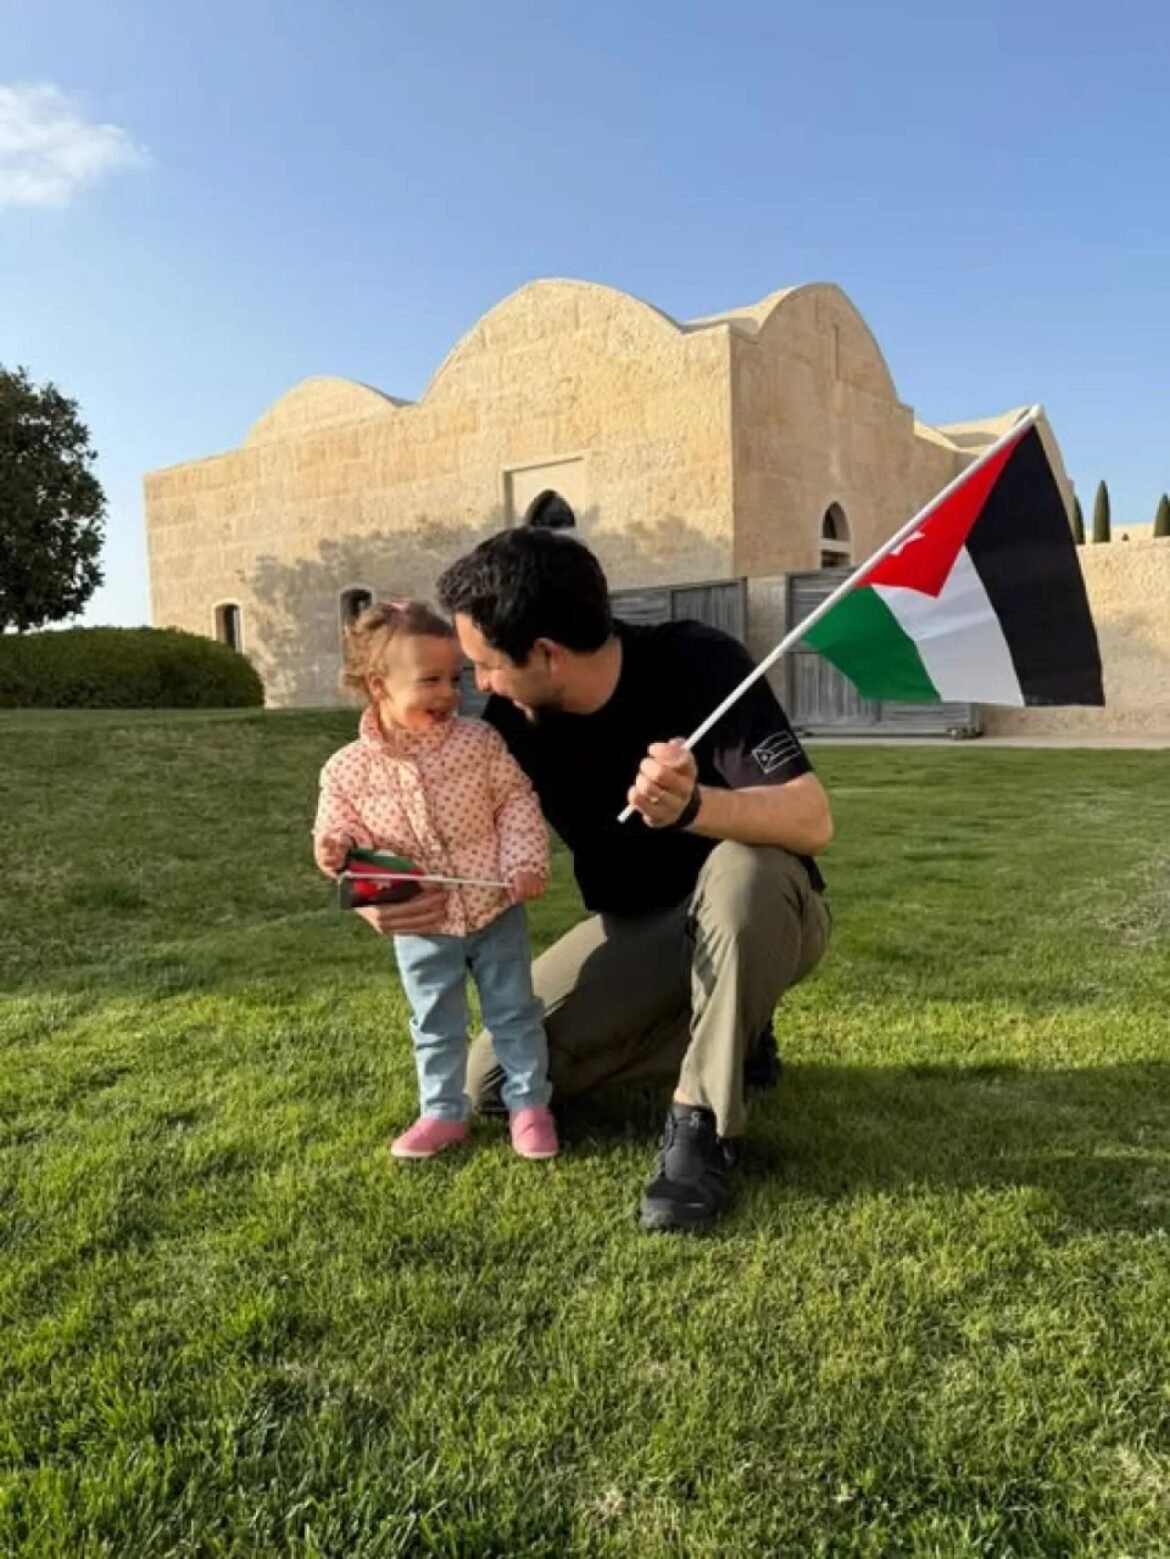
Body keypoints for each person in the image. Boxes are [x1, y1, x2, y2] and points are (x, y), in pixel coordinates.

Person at [425, 529, 829, 1232]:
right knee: (491, 1082)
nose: (479, 683)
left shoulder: (698, 662)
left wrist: (695, 805)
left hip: (764, 908)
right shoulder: (510, 725)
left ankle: (701, 1128)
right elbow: (470, 851)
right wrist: (392, 885)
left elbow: (812, 818)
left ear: (547, 653)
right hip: (642, 927)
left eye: (485, 665)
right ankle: (735, 1031)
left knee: (740, 871)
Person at [312, 600, 559, 1162]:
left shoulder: (479, 743)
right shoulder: (347, 769)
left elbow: (516, 803)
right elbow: (338, 831)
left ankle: (529, 1106)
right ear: (378, 684)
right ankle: (442, 1112)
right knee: (434, 1022)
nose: (449, 693)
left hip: (496, 911)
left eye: (455, 678)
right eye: (430, 680)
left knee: (514, 1010)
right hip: (421, 924)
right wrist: (333, 850)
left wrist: (524, 862)